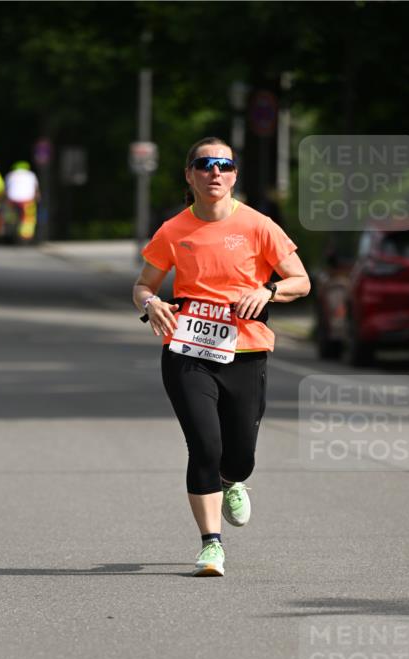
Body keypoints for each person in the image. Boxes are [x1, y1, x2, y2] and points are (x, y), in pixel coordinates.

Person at [132, 137, 310, 577]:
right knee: (204, 445)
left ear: (234, 175)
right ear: (189, 175)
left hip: (246, 350)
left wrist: (266, 290)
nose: (215, 172)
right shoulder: (173, 230)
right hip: (187, 350)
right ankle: (211, 545)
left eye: (224, 165)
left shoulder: (258, 225)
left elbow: (301, 281)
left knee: (241, 454)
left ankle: (234, 480)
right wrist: (150, 304)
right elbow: (143, 286)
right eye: (205, 164)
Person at [4, 160, 40, 241]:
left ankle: (10, 228)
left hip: (13, 200)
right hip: (27, 200)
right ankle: (26, 235)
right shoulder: (31, 175)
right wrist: (37, 198)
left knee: (10, 215)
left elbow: (6, 190)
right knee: (29, 218)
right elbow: (36, 190)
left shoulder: (10, 175)